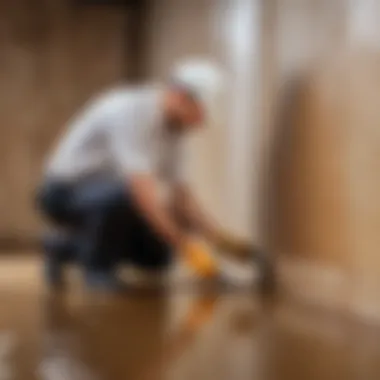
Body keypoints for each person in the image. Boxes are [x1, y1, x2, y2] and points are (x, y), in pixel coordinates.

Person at [36, 59, 252, 291]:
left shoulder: (174, 131)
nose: (199, 124)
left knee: (157, 255)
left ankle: (63, 248)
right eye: (199, 114)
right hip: (63, 193)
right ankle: (97, 273)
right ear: (180, 96)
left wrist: (219, 239)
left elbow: (182, 199)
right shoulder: (130, 111)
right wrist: (188, 248)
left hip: (109, 195)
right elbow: (142, 193)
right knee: (126, 197)